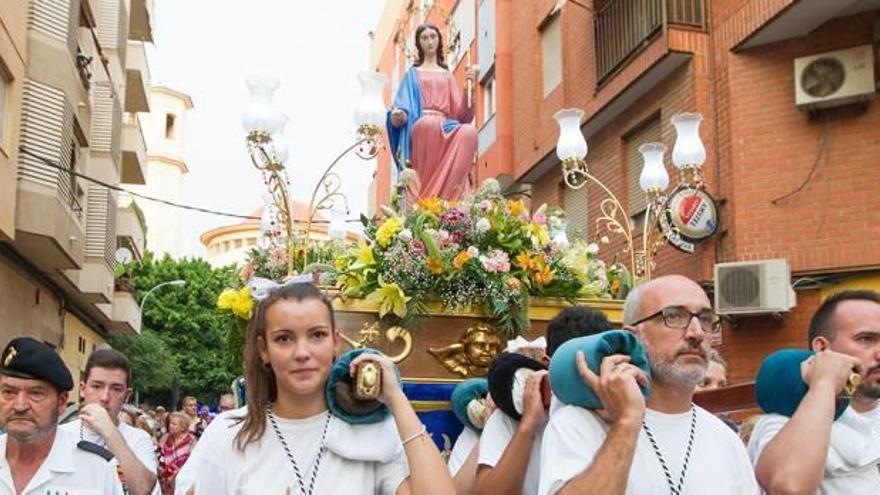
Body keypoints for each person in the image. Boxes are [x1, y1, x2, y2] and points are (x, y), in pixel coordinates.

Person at [179, 282, 455, 494]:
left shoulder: (369, 432)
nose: (302, 352)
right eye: (284, 338)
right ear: (264, 350)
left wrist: (395, 398)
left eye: (317, 335)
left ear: (335, 343)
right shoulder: (228, 434)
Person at [539, 275, 759, 494]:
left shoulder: (726, 441)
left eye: (705, 319)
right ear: (633, 336)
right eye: (673, 316)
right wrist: (627, 422)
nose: (696, 333)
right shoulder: (579, 424)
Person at [747, 290, 880, 493]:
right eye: (866, 339)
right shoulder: (784, 422)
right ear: (822, 348)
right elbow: (789, 488)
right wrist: (825, 383)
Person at [475, 306, 612, 495]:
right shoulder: (515, 413)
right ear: (548, 362)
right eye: (576, 368)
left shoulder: (621, 410)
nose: (586, 376)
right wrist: (528, 427)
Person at [0, 337, 122, 494]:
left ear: (62, 402)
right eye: (9, 392)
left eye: (36, 393)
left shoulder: (97, 468)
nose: (20, 406)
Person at [387, 23, 477, 201]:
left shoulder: (447, 75)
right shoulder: (412, 74)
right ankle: (426, 198)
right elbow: (400, 110)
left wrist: (469, 89)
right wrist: (399, 115)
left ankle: (453, 197)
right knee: (429, 124)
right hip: (422, 125)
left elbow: (463, 117)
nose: (429, 41)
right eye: (424, 38)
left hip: (446, 125)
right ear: (419, 44)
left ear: (439, 40)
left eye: (433, 37)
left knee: (469, 132)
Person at [60, 347, 158, 495]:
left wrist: (109, 432)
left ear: (127, 395)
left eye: (116, 389)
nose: (105, 397)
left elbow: (143, 490)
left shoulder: (139, 440)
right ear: (82, 389)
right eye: (97, 386)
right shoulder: (60, 435)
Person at [158, 412, 196, 495]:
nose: (170, 426)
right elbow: (159, 454)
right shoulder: (165, 438)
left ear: (182, 427)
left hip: (184, 479)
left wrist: (179, 472)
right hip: (166, 480)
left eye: (174, 424)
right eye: (170, 423)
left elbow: (194, 460)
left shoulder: (191, 440)